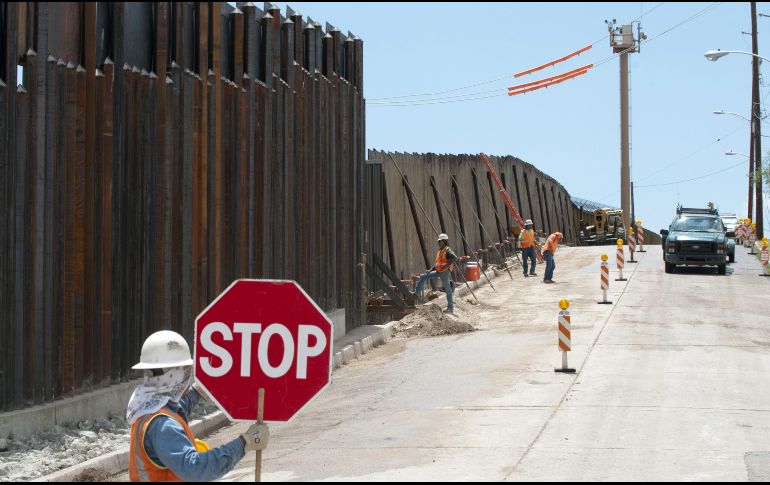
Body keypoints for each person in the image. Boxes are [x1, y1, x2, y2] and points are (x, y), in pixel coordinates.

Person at [127, 330, 269, 482]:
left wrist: (200, 390)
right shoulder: (163, 426)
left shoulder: (147, 407)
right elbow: (196, 469)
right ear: (178, 375)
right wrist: (244, 443)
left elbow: (177, 409)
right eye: (187, 371)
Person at [414, 233, 458, 314]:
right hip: (438, 271)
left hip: (444, 272)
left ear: (444, 241)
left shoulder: (447, 250)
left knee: (448, 289)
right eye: (439, 241)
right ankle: (416, 294)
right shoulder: (440, 251)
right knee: (424, 276)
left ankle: (450, 308)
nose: (439, 242)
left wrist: (446, 267)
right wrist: (430, 270)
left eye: (440, 241)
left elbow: (454, 257)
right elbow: (437, 264)